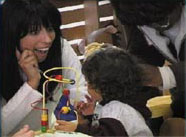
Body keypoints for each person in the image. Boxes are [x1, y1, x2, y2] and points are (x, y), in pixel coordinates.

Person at [0, 0, 87, 135]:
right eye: (34, 32)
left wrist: (81, 108)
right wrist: (32, 83)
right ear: (12, 34)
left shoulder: (60, 48)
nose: (47, 39)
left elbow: (79, 90)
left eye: (50, 29)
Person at [109, 0, 185, 135]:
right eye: (151, 24)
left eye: (163, 19)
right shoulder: (139, 16)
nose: (160, 27)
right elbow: (143, 55)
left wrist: (165, 75)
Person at [55, 44, 158, 136]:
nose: (87, 87)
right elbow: (106, 129)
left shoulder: (117, 110)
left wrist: (78, 129)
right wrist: (89, 118)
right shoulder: (117, 106)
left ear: (103, 87)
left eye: (89, 83)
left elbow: (106, 134)